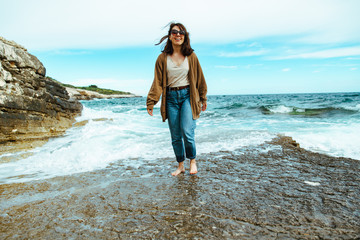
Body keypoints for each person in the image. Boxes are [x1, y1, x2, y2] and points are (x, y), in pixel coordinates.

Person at [146, 22, 207, 176]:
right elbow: (158, 81)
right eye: (174, 32)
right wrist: (151, 101)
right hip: (171, 98)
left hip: (188, 96)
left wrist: (203, 97)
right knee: (175, 136)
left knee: (187, 131)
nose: (178, 35)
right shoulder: (162, 58)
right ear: (170, 36)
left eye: (181, 32)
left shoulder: (191, 56)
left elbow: (199, 78)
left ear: (185, 36)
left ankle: (192, 161)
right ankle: (181, 165)